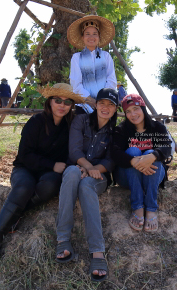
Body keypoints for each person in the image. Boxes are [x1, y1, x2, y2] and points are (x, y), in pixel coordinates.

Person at [0, 83, 85, 267]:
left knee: (52, 186)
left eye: (67, 102)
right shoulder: (36, 122)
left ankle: (16, 213)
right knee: (24, 187)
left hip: (48, 174)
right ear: (49, 102)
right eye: (57, 100)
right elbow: (25, 155)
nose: (62, 105)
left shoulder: (71, 126)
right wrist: (52, 164)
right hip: (25, 168)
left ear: (71, 106)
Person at [56, 88, 118, 282]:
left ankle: (97, 251)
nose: (105, 108)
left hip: (97, 177)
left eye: (110, 105)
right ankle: (63, 238)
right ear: (95, 104)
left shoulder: (115, 131)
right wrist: (87, 166)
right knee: (73, 171)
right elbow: (74, 150)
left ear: (115, 109)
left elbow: (110, 161)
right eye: (102, 103)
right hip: (77, 168)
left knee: (86, 186)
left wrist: (92, 171)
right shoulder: (80, 120)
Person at [112, 94, 172, 232]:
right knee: (132, 151)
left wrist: (153, 156)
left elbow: (167, 147)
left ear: (143, 108)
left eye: (136, 108)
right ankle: (137, 206)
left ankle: (151, 208)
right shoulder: (121, 130)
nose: (133, 114)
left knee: (149, 153)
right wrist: (132, 161)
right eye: (128, 111)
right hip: (127, 177)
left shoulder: (157, 127)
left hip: (153, 175)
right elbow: (115, 152)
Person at [67, 15, 117, 114]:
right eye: (87, 34)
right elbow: (76, 83)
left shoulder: (106, 56)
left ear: (99, 37)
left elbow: (111, 80)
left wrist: (102, 101)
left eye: (95, 34)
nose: (91, 37)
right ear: (82, 37)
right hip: (83, 106)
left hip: (105, 106)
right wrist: (90, 100)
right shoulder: (77, 57)